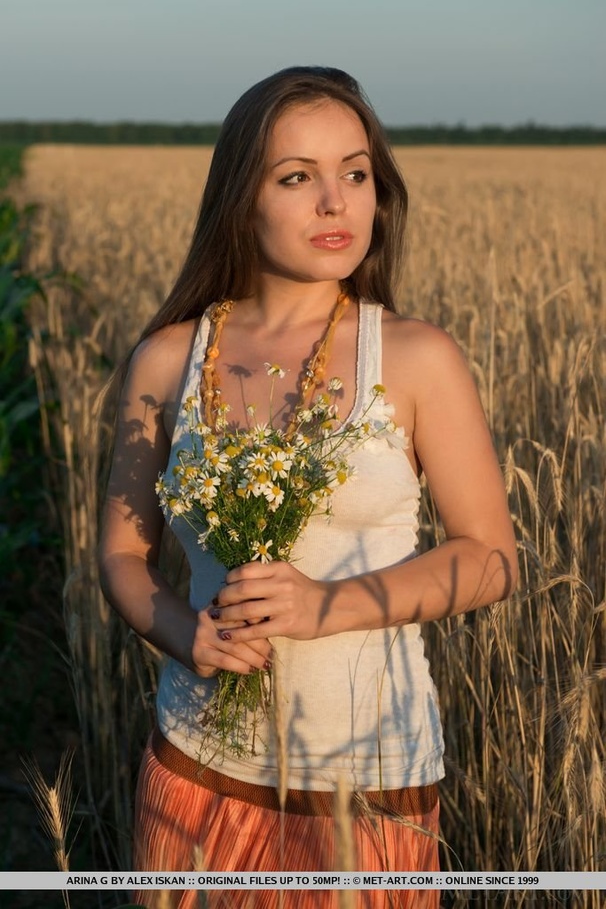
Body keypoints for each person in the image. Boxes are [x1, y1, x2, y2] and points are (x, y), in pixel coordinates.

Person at [98, 66, 518, 909]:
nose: (336, 202)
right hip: (196, 773)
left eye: (355, 174)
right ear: (239, 200)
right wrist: (188, 634)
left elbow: (491, 560)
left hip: (365, 784)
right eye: (298, 178)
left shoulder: (415, 358)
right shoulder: (169, 358)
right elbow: (121, 551)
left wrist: (327, 605)